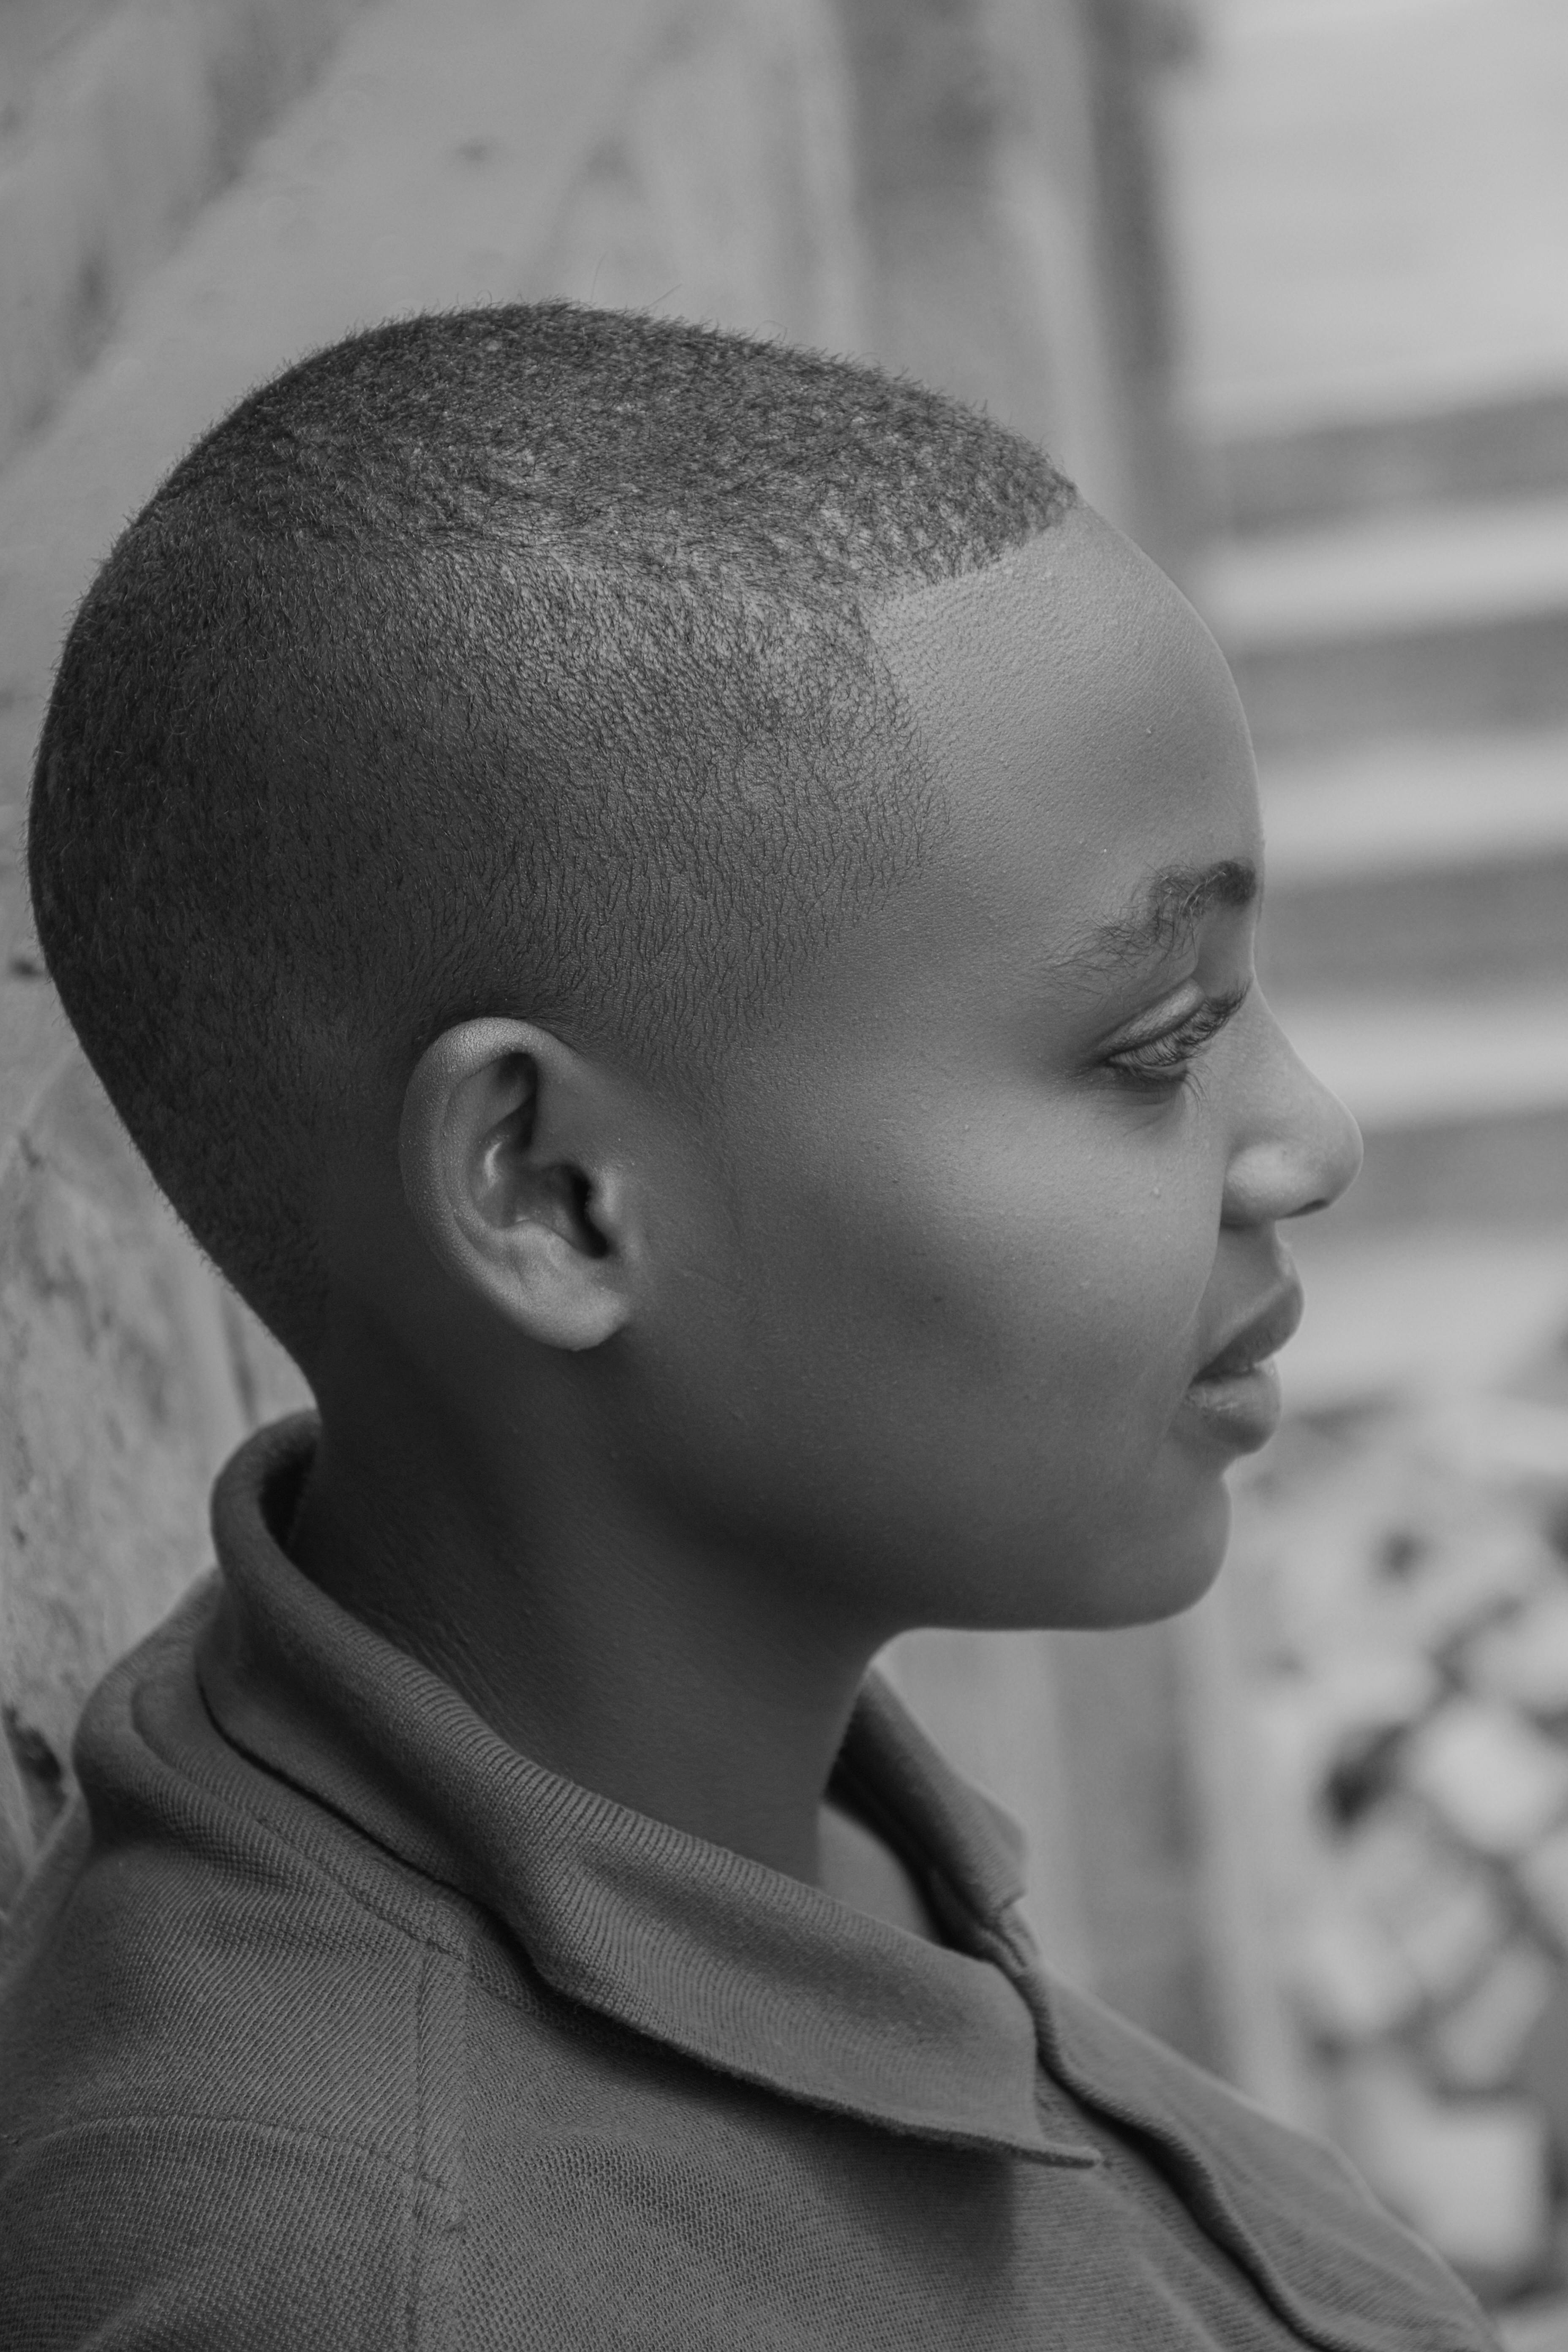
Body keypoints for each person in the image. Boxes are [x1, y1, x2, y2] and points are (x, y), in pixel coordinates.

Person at [0, 305, 1497, 2349]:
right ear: (551, 1195)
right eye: (1157, 1047)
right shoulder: (373, 2281)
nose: (1306, 1141)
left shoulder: (776, 1834)